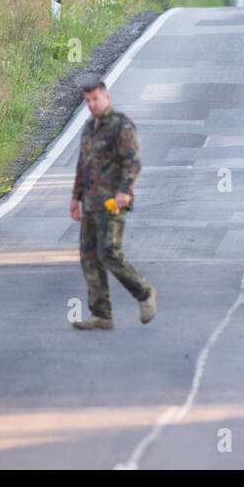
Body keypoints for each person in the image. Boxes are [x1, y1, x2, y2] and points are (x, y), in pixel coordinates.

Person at [69, 76, 157, 330]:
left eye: (95, 99)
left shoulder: (121, 126)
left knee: (108, 252)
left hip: (112, 202)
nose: (91, 104)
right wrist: (76, 197)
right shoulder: (88, 128)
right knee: (89, 257)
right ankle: (101, 314)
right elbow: (82, 165)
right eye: (87, 100)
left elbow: (133, 161)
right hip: (90, 202)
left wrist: (124, 191)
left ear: (106, 98)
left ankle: (144, 293)